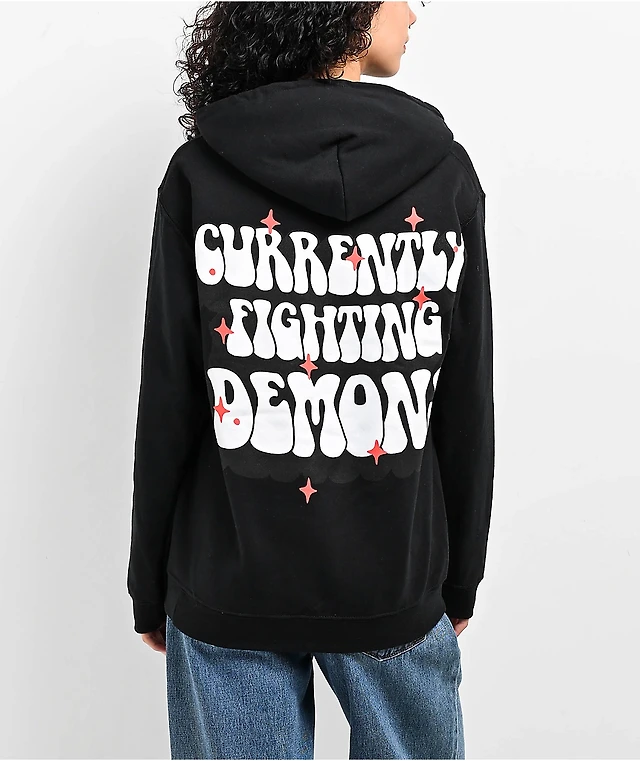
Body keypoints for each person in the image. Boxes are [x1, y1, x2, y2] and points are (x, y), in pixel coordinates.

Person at [126, 1, 495, 758]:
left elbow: (168, 394)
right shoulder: (444, 173)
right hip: (394, 578)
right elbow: (464, 399)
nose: (414, 10)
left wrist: (149, 581)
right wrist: (460, 577)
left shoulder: (201, 172)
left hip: (227, 577)